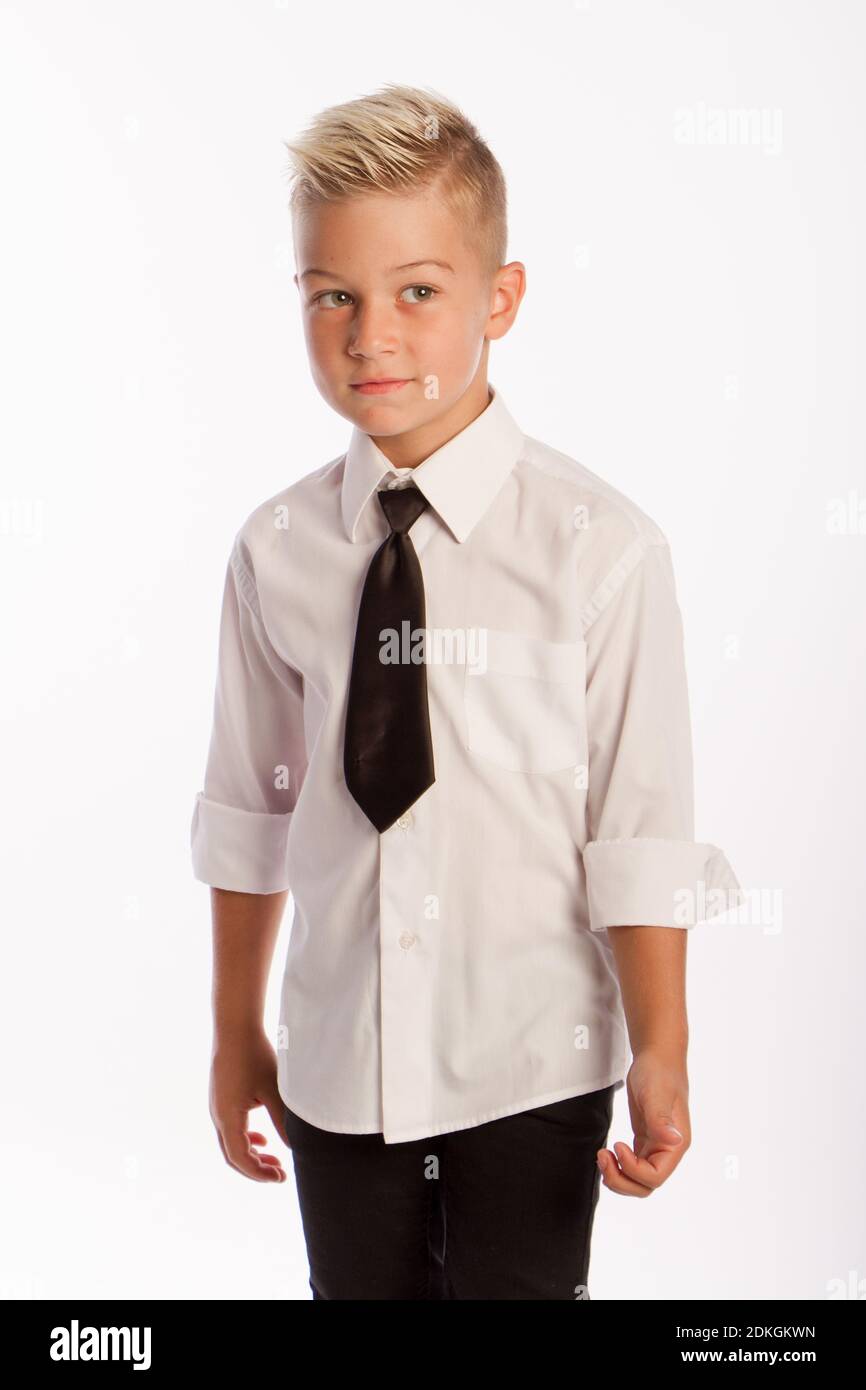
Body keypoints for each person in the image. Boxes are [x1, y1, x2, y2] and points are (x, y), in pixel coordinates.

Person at [190, 83, 744, 1300]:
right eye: (332, 294)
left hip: (528, 1068)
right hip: (338, 1069)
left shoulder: (601, 548)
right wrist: (237, 1033)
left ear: (499, 299)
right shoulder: (276, 548)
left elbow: (638, 828)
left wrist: (663, 1045)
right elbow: (251, 809)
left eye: (417, 293)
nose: (369, 335)